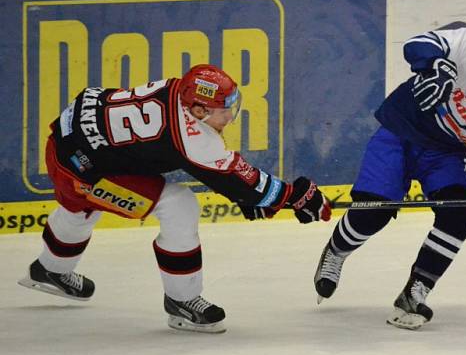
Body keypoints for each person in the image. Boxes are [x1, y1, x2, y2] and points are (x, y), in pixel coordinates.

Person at [19, 64, 331, 333]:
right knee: (178, 206)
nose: (230, 115)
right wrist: (294, 196)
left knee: (81, 210)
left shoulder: (176, 89)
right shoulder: (192, 135)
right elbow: (240, 179)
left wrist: (246, 195)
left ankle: (48, 270)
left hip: (68, 143)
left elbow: (199, 164)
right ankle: (181, 301)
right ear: (198, 110)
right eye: (225, 108)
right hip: (81, 170)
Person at [313, 16, 466, 330]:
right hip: (404, 129)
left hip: (447, 151)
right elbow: (416, 45)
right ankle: (336, 251)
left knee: (461, 211)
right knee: (372, 212)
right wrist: (437, 67)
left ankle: (415, 292)